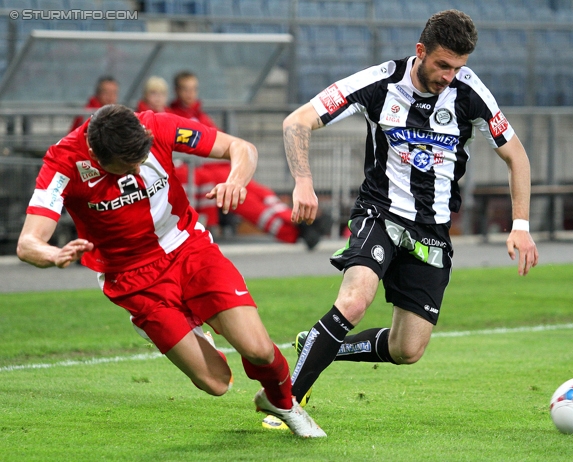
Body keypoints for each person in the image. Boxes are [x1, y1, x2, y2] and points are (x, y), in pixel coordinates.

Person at [264, 9, 539, 430]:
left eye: (458, 67)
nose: (450, 75)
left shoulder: (469, 91)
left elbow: (516, 155)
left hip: (432, 231)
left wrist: (520, 226)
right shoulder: (379, 82)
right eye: (442, 64)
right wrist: (303, 181)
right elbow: (296, 121)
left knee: (407, 349)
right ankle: (286, 402)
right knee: (355, 299)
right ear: (420, 51)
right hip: (381, 213)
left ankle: (320, 345)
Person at [16, 104, 325, 438]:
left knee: (259, 349)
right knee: (217, 383)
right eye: (127, 167)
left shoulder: (157, 126)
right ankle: (170, 323)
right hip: (133, 280)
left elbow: (241, 148)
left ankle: (282, 403)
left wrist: (235, 181)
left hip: (189, 248)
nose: (137, 170)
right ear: (97, 156)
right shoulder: (63, 162)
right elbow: (28, 243)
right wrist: (53, 253)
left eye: (141, 160)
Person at [168, 71, 330, 248]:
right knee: (251, 204)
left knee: (263, 193)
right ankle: (293, 233)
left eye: (193, 89)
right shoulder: (172, 116)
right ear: (177, 91)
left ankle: (297, 219)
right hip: (201, 170)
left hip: (219, 167)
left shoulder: (201, 116)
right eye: (186, 89)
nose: (190, 94)